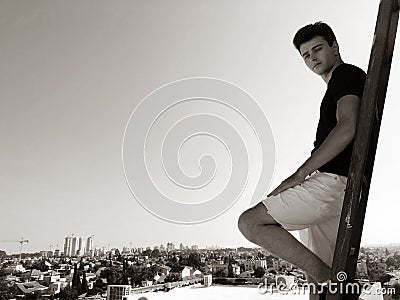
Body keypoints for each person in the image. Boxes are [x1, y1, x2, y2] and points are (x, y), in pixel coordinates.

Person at [238, 22, 366, 300]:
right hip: (339, 187)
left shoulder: (345, 74)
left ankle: (337, 287)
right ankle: (331, 284)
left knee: (250, 223)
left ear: (335, 47)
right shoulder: (340, 82)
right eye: (306, 55)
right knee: (314, 277)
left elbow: (347, 128)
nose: (312, 58)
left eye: (318, 49)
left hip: (332, 182)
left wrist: (297, 176)